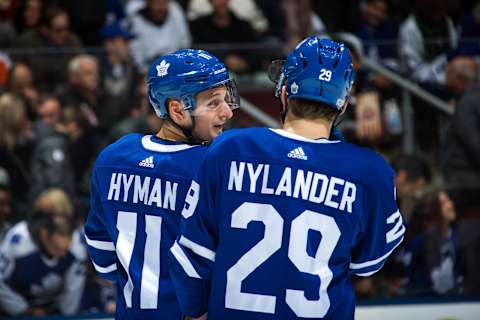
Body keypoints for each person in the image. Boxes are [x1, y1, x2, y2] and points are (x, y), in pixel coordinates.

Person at [169, 36, 405, 319]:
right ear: (343, 106)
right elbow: (368, 264)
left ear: (283, 92)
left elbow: (191, 257)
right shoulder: (370, 172)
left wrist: (195, 312)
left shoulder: (230, 149)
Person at [84, 49, 239, 319]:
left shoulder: (113, 156)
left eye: (226, 99)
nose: (227, 112)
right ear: (177, 110)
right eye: (213, 103)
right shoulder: (214, 166)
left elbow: (103, 258)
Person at [0, 204, 85, 316]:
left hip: (54, 307)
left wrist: (65, 316)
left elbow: (74, 289)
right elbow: (1, 282)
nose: (63, 255)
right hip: (16, 309)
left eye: (66, 249)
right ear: (44, 234)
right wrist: (23, 310)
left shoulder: (77, 246)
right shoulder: (18, 240)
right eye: (57, 249)